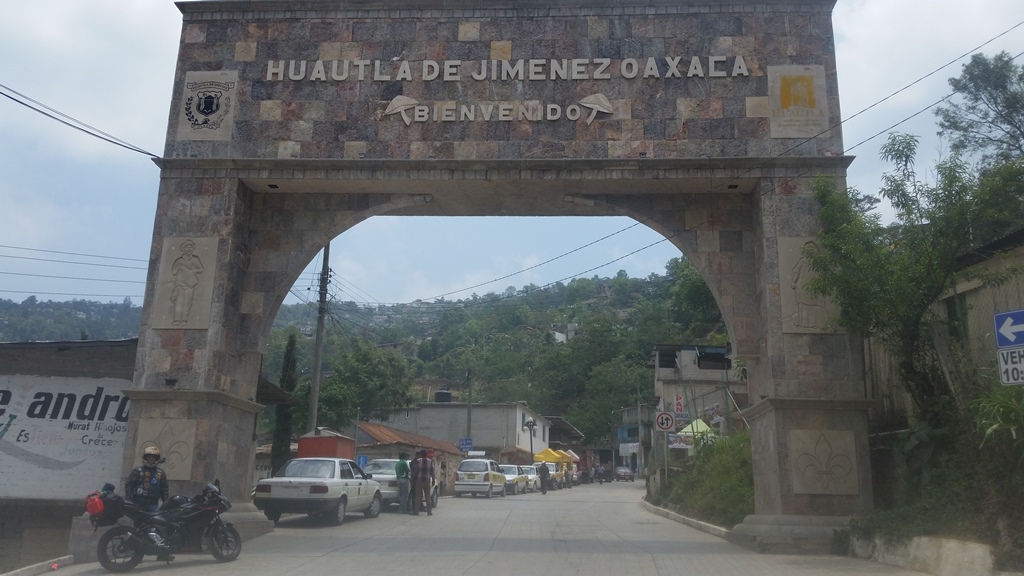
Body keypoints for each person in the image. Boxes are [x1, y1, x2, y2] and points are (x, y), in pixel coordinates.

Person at [125, 446, 169, 513]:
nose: (151, 459)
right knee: (138, 520)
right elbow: (129, 485)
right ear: (146, 458)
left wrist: (165, 502)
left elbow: (164, 489)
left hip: (153, 503)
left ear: (156, 459)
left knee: (153, 521)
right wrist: (128, 499)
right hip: (138, 501)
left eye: (153, 457)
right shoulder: (138, 470)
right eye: (149, 457)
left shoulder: (160, 473)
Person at [411, 450, 434, 516]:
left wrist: (412, 480)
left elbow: (415, 471)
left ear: (421, 454)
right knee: (428, 496)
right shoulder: (430, 461)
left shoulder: (418, 461)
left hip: (419, 481)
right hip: (427, 481)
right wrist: (433, 480)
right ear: (426, 454)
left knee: (418, 497)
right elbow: (432, 471)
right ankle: (429, 512)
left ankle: (416, 511)